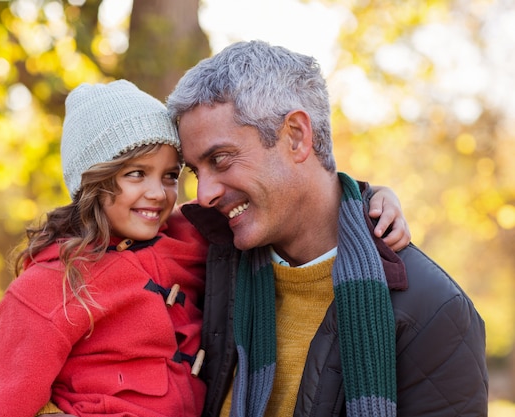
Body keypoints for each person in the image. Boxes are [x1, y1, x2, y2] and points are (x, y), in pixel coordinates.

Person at [166, 40, 488, 417]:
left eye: (220, 159)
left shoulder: (433, 312)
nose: (203, 194)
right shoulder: (205, 262)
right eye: (194, 171)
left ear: (297, 136)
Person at [0, 80, 209, 417]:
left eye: (169, 175)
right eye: (136, 174)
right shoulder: (49, 287)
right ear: (94, 182)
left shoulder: (192, 240)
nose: (158, 193)